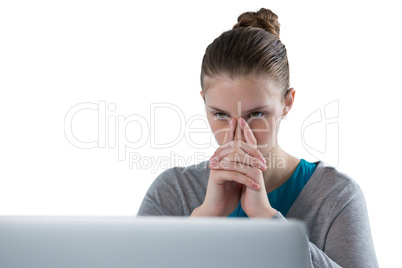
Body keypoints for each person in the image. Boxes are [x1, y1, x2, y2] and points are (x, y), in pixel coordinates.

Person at [137, 7, 378, 268]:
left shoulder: (335, 197)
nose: (239, 133)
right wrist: (205, 219)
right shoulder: (173, 193)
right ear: (203, 104)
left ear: (287, 103)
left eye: (256, 115)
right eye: (219, 114)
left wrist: (268, 219)